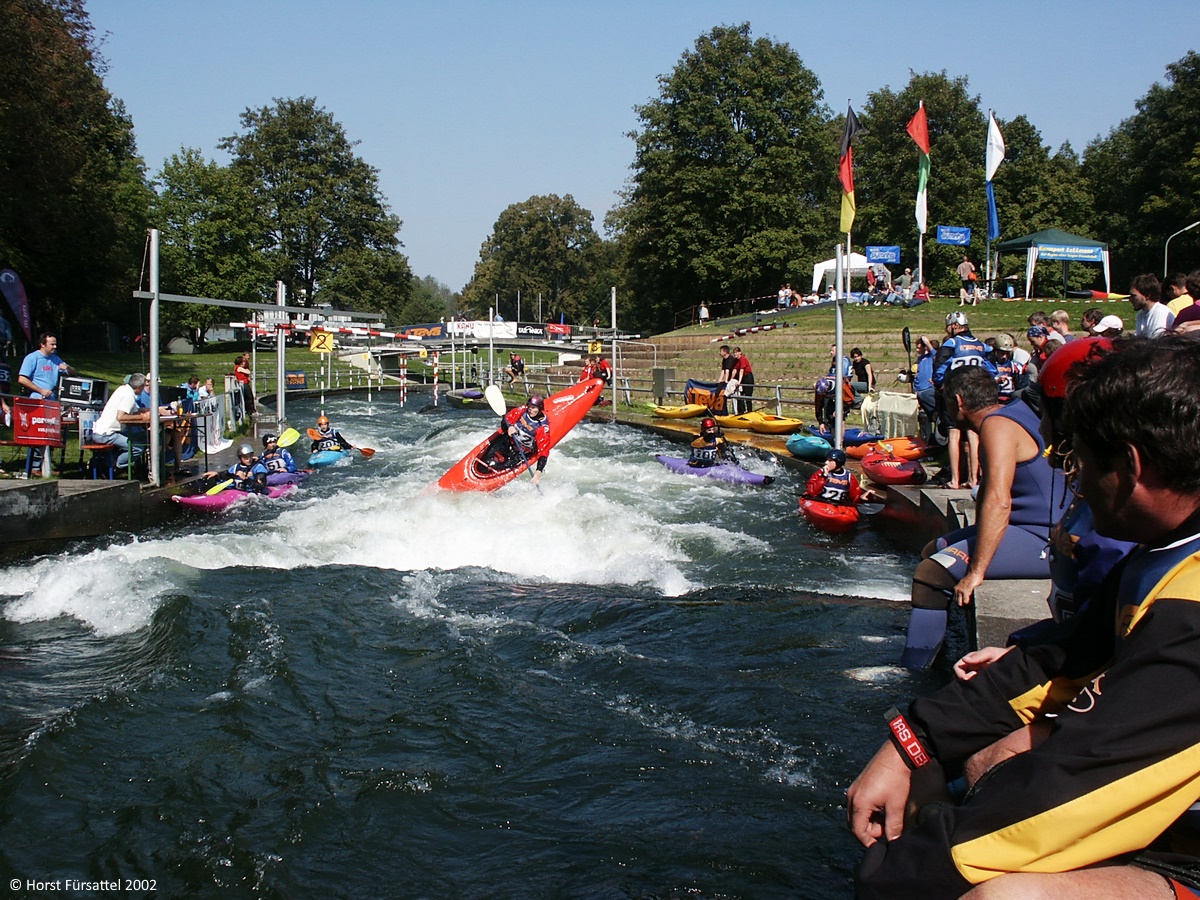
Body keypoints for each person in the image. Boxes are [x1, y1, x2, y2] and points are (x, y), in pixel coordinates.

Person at [849, 334, 1200, 900]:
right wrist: (912, 739)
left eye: (1078, 462)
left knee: (1008, 896)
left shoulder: (1192, 611)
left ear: (1132, 466)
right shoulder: (1168, 549)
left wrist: (890, 873)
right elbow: (1064, 653)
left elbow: (1079, 784)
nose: (1075, 483)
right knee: (993, 757)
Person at [900, 364, 1065, 670]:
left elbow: (998, 501)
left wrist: (977, 570)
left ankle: (914, 670)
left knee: (931, 574)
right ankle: (939, 638)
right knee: (932, 550)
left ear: (958, 402)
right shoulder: (1009, 414)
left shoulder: (996, 426)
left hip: (1042, 538)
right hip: (1034, 528)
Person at [932, 312, 995, 487]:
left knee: (954, 435)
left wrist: (940, 384)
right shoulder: (982, 346)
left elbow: (939, 367)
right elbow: (992, 369)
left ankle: (955, 479)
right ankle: (974, 479)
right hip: (974, 392)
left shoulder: (952, 343)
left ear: (955, 326)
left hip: (955, 391)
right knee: (973, 435)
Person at [492, 394, 550, 483]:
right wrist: (508, 427)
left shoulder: (542, 428)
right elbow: (506, 421)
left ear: (539, 409)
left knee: (501, 466)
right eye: (529, 407)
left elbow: (543, 452)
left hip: (522, 452)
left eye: (534, 408)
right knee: (492, 457)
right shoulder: (522, 411)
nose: (530, 409)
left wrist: (538, 473)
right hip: (509, 441)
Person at [804, 448, 879, 505]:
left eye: (830, 461)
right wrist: (823, 478)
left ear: (838, 463)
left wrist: (862, 497)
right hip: (820, 503)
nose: (826, 462)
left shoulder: (849, 477)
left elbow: (854, 498)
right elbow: (811, 492)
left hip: (838, 507)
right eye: (827, 460)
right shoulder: (820, 474)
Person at [18, 330, 75, 400]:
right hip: (37, 398)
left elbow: (73, 373)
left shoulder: (56, 359)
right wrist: (41, 391)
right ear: (42, 344)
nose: (55, 347)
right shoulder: (32, 358)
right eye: (52, 344)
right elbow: (22, 379)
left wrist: (67, 367)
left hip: (52, 399)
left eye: (55, 344)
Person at [1130, 273, 1175, 337]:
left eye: (1134, 296)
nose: (1130, 300)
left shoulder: (1161, 312)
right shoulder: (1140, 314)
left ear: (1147, 295)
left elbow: (1155, 343)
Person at [989, 333, 1024, 403]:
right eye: (1002, 353)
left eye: (1007, 354)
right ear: (995, 351)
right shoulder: (988, 365)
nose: (1005, 356)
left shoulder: (1014, 366)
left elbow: (1019, 385)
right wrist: (996, 381)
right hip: (995, 400)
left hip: (1010, 400)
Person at [728, 347, 754, 415]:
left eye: (736, 352)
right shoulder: (736, 361)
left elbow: (741, 370)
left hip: (747, 377)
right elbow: (735, 370)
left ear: (740, 352)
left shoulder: (742, 359)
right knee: (740, 394)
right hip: (742, 377)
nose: (735, 354)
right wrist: (731, 380)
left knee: (748, 396)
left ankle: (750, 411)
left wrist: (739, 381)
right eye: (734, 352)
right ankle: (741, 411)